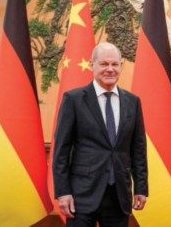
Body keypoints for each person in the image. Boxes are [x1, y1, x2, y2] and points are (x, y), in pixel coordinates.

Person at [53, 42, 148, 227]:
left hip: (119, 196)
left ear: (121, 65)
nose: (110, 69)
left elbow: (138, 149)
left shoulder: (132, 102)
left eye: (115, 64)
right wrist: (63, 192)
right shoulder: (73, 99)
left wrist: (141, 188)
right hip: (81, 196)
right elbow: (61, 151)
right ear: (92, 65)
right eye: (104, 64)